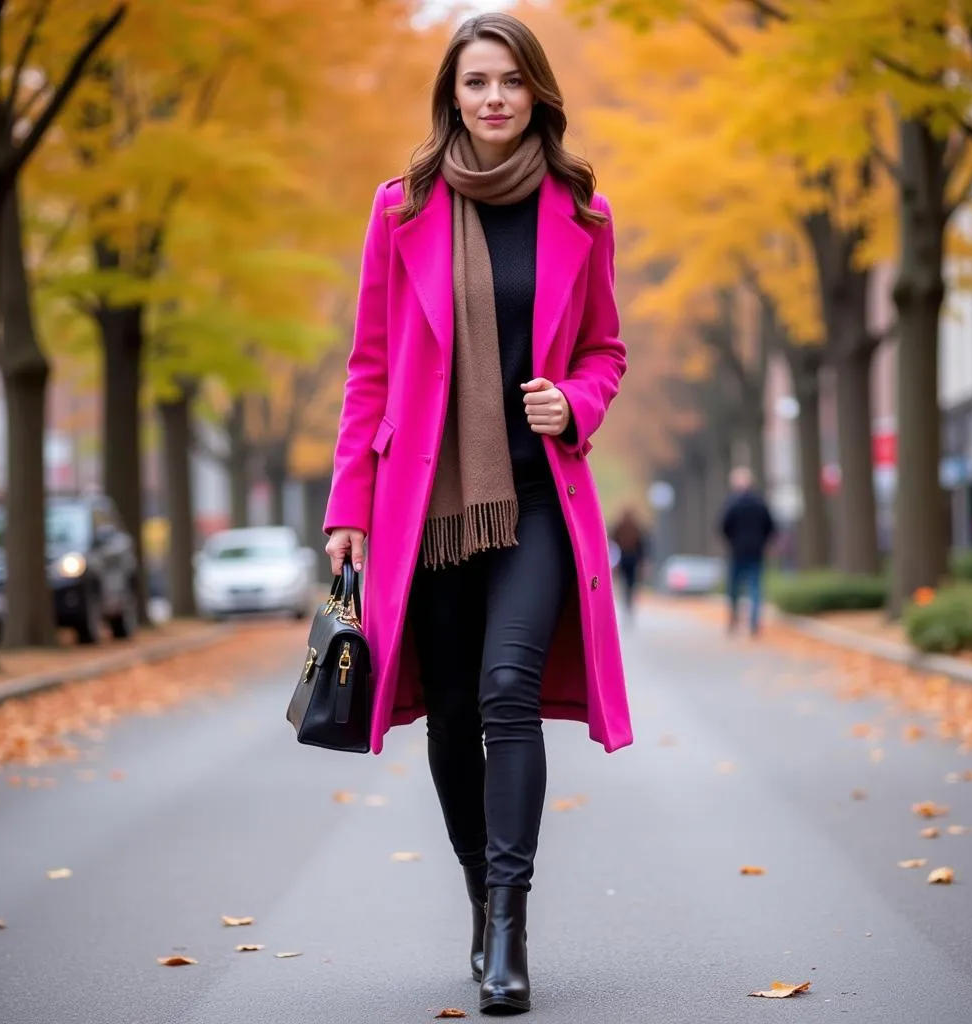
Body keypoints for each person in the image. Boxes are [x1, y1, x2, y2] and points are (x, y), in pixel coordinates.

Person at [322, 12, 631, 1016]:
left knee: (507, 690)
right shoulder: (401, 208)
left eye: (508, 81)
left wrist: (574, 403)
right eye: (473, 83)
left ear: (536, 91)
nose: (492, 99)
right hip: (430, 502)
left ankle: (509, 920)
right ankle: (475, 891)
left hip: (539, 493)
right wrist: (348, 506)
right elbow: (369, 367)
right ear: (450, 96)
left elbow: (605, 352)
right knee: (452, 713)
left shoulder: (581, 215)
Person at [718, 467, 775, 636]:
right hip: (756, 552)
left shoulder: (732, 503)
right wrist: (763, 543)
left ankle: (734, 619)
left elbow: (722, 526)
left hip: (737, 552)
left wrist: (731, 542)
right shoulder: (760, 502)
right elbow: (770, 526)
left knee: (734, 588)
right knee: (755, 588)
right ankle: (753, 622)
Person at [610, 508, 648, 620]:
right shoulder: (635, 527)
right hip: (630, 558)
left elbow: (613, 542)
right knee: (629, 582)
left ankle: (628, 602)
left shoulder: (621, 526)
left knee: (627, 581)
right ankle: (628, 602)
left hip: (625, 558)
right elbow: (642, 546)